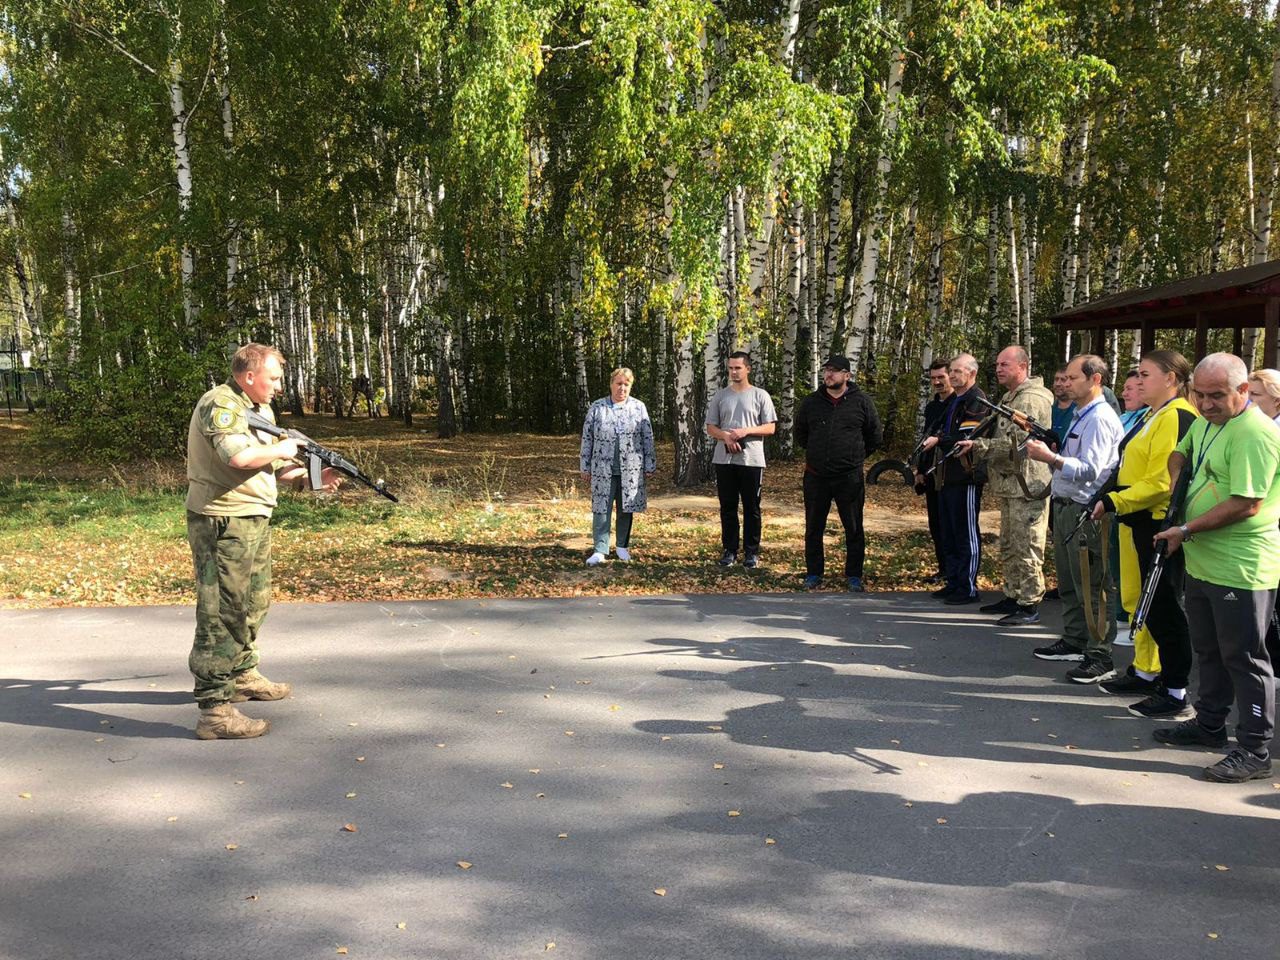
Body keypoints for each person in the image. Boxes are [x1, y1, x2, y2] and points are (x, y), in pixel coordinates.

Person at [186, 343, 344, 740]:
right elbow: (236, 457)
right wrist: (285, 446)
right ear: (249, 375)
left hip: (253, 517)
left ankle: (241, 674)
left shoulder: (259, 411)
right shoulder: (220, 404)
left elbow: (270, 466)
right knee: (222, 609)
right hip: (222, 519)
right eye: (273, 378)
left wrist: (311, 478)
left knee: (253, 601)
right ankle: (215, 711)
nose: (278, 386)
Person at [1150, 353, 1279, 783]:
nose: (1204, 405)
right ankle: (1209, 725)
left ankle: (1255, 749)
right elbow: (1180, 453)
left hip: (1240, 567)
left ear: (1244, 391)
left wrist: (1184, 527)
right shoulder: (1208, 422)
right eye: (1198, 395)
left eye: (1216, 396)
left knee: (1243, 657)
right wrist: (1177, 483)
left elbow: (1247, 503)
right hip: (1204, 561)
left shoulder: (1253, 434)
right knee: (1209, 650)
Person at [1090, 350, 1199, 718]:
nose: (1138, 379)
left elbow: (1163, 481)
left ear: (1170, 378)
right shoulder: (1155, 414)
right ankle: (1144, 667)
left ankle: (1174, 688)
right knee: (1138, 598)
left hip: (1156, 520)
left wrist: (1117, 499)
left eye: (1146, 373)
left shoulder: (1178, 415)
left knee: (1163, 603)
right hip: (1136, 517)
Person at [1025, 354, 1124, 682]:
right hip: (1067, 506)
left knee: (1093, 585)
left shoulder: (1099, 418)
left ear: (1094, 380)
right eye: (1064, 378)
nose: (1065, 383)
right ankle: (1075, 639)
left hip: (1086, 510)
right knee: (1070, 581)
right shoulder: (1082, 414)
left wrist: (1049, 457)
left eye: (1072, 378)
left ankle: (1100, 655)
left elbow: (1091, 470)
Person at [955, 346, 1053, 625]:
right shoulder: (1011, 397)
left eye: (1004, 364)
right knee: (1010, 543)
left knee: (1028, 545)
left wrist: (978, 445)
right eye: (997, 364)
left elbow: (1019, 444)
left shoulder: (1031, 400)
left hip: (1027, 484)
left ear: (1022, 366)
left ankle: (1029, 602)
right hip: (1012, 484)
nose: (998, 369)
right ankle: (1012, 594)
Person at [794, 354, 883, 591]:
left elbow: (874, 436)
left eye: (834, 371)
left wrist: (854, 458)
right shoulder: (811, 402)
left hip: (849, 477)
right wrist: (818, 454)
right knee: (814, 526)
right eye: (826, 370)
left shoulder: (862, 402)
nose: (829, 375)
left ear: (847, 375)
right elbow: (801, 435)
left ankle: (854, 575)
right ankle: (814, 573)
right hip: (816, 475)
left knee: (853, 526)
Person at [919, 353, 989, 604]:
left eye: (957, 371)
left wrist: (939, 440)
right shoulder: (954, 401)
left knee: (965, 532)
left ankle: (968, 586)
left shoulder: (976, 400)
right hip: (947, 476)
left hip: (966, 475)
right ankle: (954, 580)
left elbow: (966, 436)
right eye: (953, 371)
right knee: (948, 531)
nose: (953, 375)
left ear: (971, 373)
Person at [706, 351, 777, 568]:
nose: (734, 372)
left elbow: (771, 427)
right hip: (725, 460)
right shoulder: (721, 396)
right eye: (730, 368)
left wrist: (745, 431)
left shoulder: (760, 395)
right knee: (727, 506)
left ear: (748, 369)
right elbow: (710, 427)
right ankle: (729, 550)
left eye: (738, 368)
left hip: (751, 460)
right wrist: (726, 436)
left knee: (751, 507)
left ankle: (751, 552)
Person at [580, 368, 657, 566]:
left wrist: (650, 463)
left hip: (630, 468)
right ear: (611, 384)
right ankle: (600, 549)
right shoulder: (597, 407)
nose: (622, 388)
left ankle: (622, 546)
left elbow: (647, 437)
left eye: (626, 384)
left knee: (626, 508)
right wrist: (585, 466)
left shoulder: (639, 407)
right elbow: (587, 438)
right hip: (601, 468)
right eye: (618, 383)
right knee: (601, 508)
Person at [1111, 369, 1151, 642]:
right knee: (1118, 564)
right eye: (1123, 387)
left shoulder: (1151, 420)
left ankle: (1134, 622)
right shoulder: (1124, 418)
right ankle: (1122, 617)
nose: (1124, 393)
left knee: (1137, 567)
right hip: (1118, 499)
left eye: (1132, 388)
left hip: (1138, 502)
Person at [913, 359, 953, 584]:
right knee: (936, 523)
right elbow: (925, 438)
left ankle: (956, 571)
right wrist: (920, 469)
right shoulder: (931, 407)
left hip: (951, 472)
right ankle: (943, 568)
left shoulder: (959, 403)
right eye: (934, 378)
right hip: (930, 470)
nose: (937, 382)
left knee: (951, 524)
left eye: (941, 377)